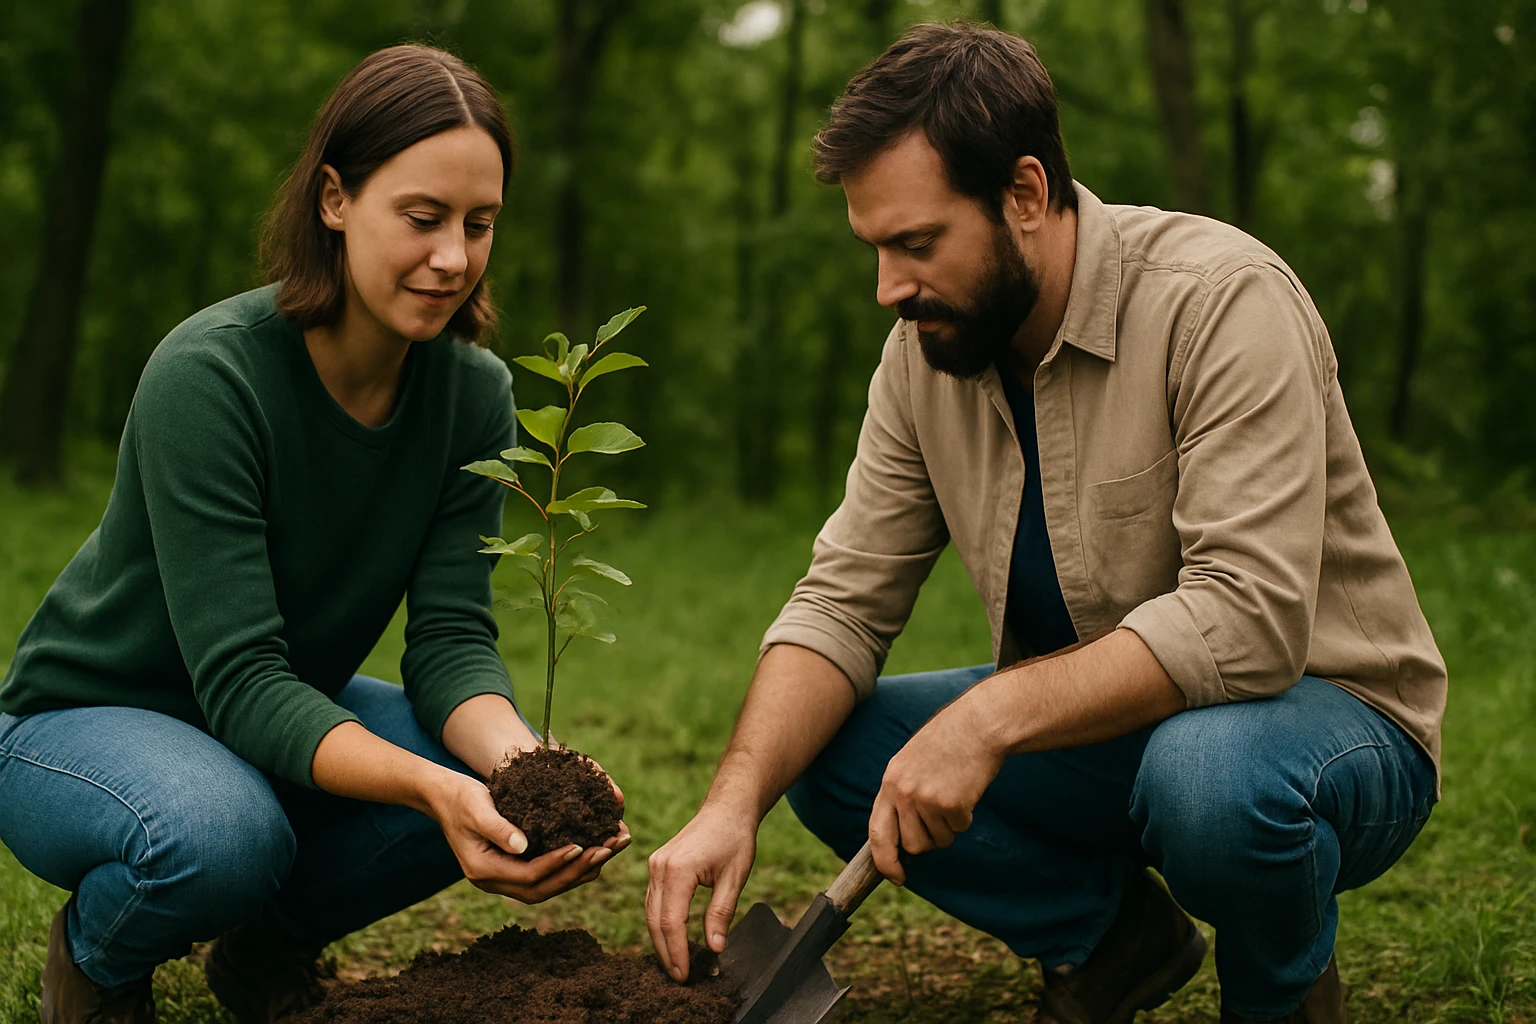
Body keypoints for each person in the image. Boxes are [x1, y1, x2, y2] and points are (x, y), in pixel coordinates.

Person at [646, 22, 1444, 1024]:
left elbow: (1248, 620)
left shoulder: (1221, 301)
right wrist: (733, 802)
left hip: (1327, 723)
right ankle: (1114, 944)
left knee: (1204, 776)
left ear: (1025, 195)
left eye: (918, 243)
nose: (889, 287)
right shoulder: (923, 353)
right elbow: (842, 600)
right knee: (826, 744)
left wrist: (983, 721)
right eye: (875, 247)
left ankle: (1284, 996)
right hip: (1112, 732)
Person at [0, 44, 627, 1024]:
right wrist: (433, 789)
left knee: (477, 780)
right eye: (421, 218)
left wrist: (522, 770)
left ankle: (266, 949)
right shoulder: (211, 378)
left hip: (264, 722)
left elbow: (454, 643)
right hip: (81, 727)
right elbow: (243, 679)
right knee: (220, 833)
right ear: (334, 199)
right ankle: (97, 956)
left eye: (479, 224)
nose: (453, 257)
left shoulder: (472, 397)